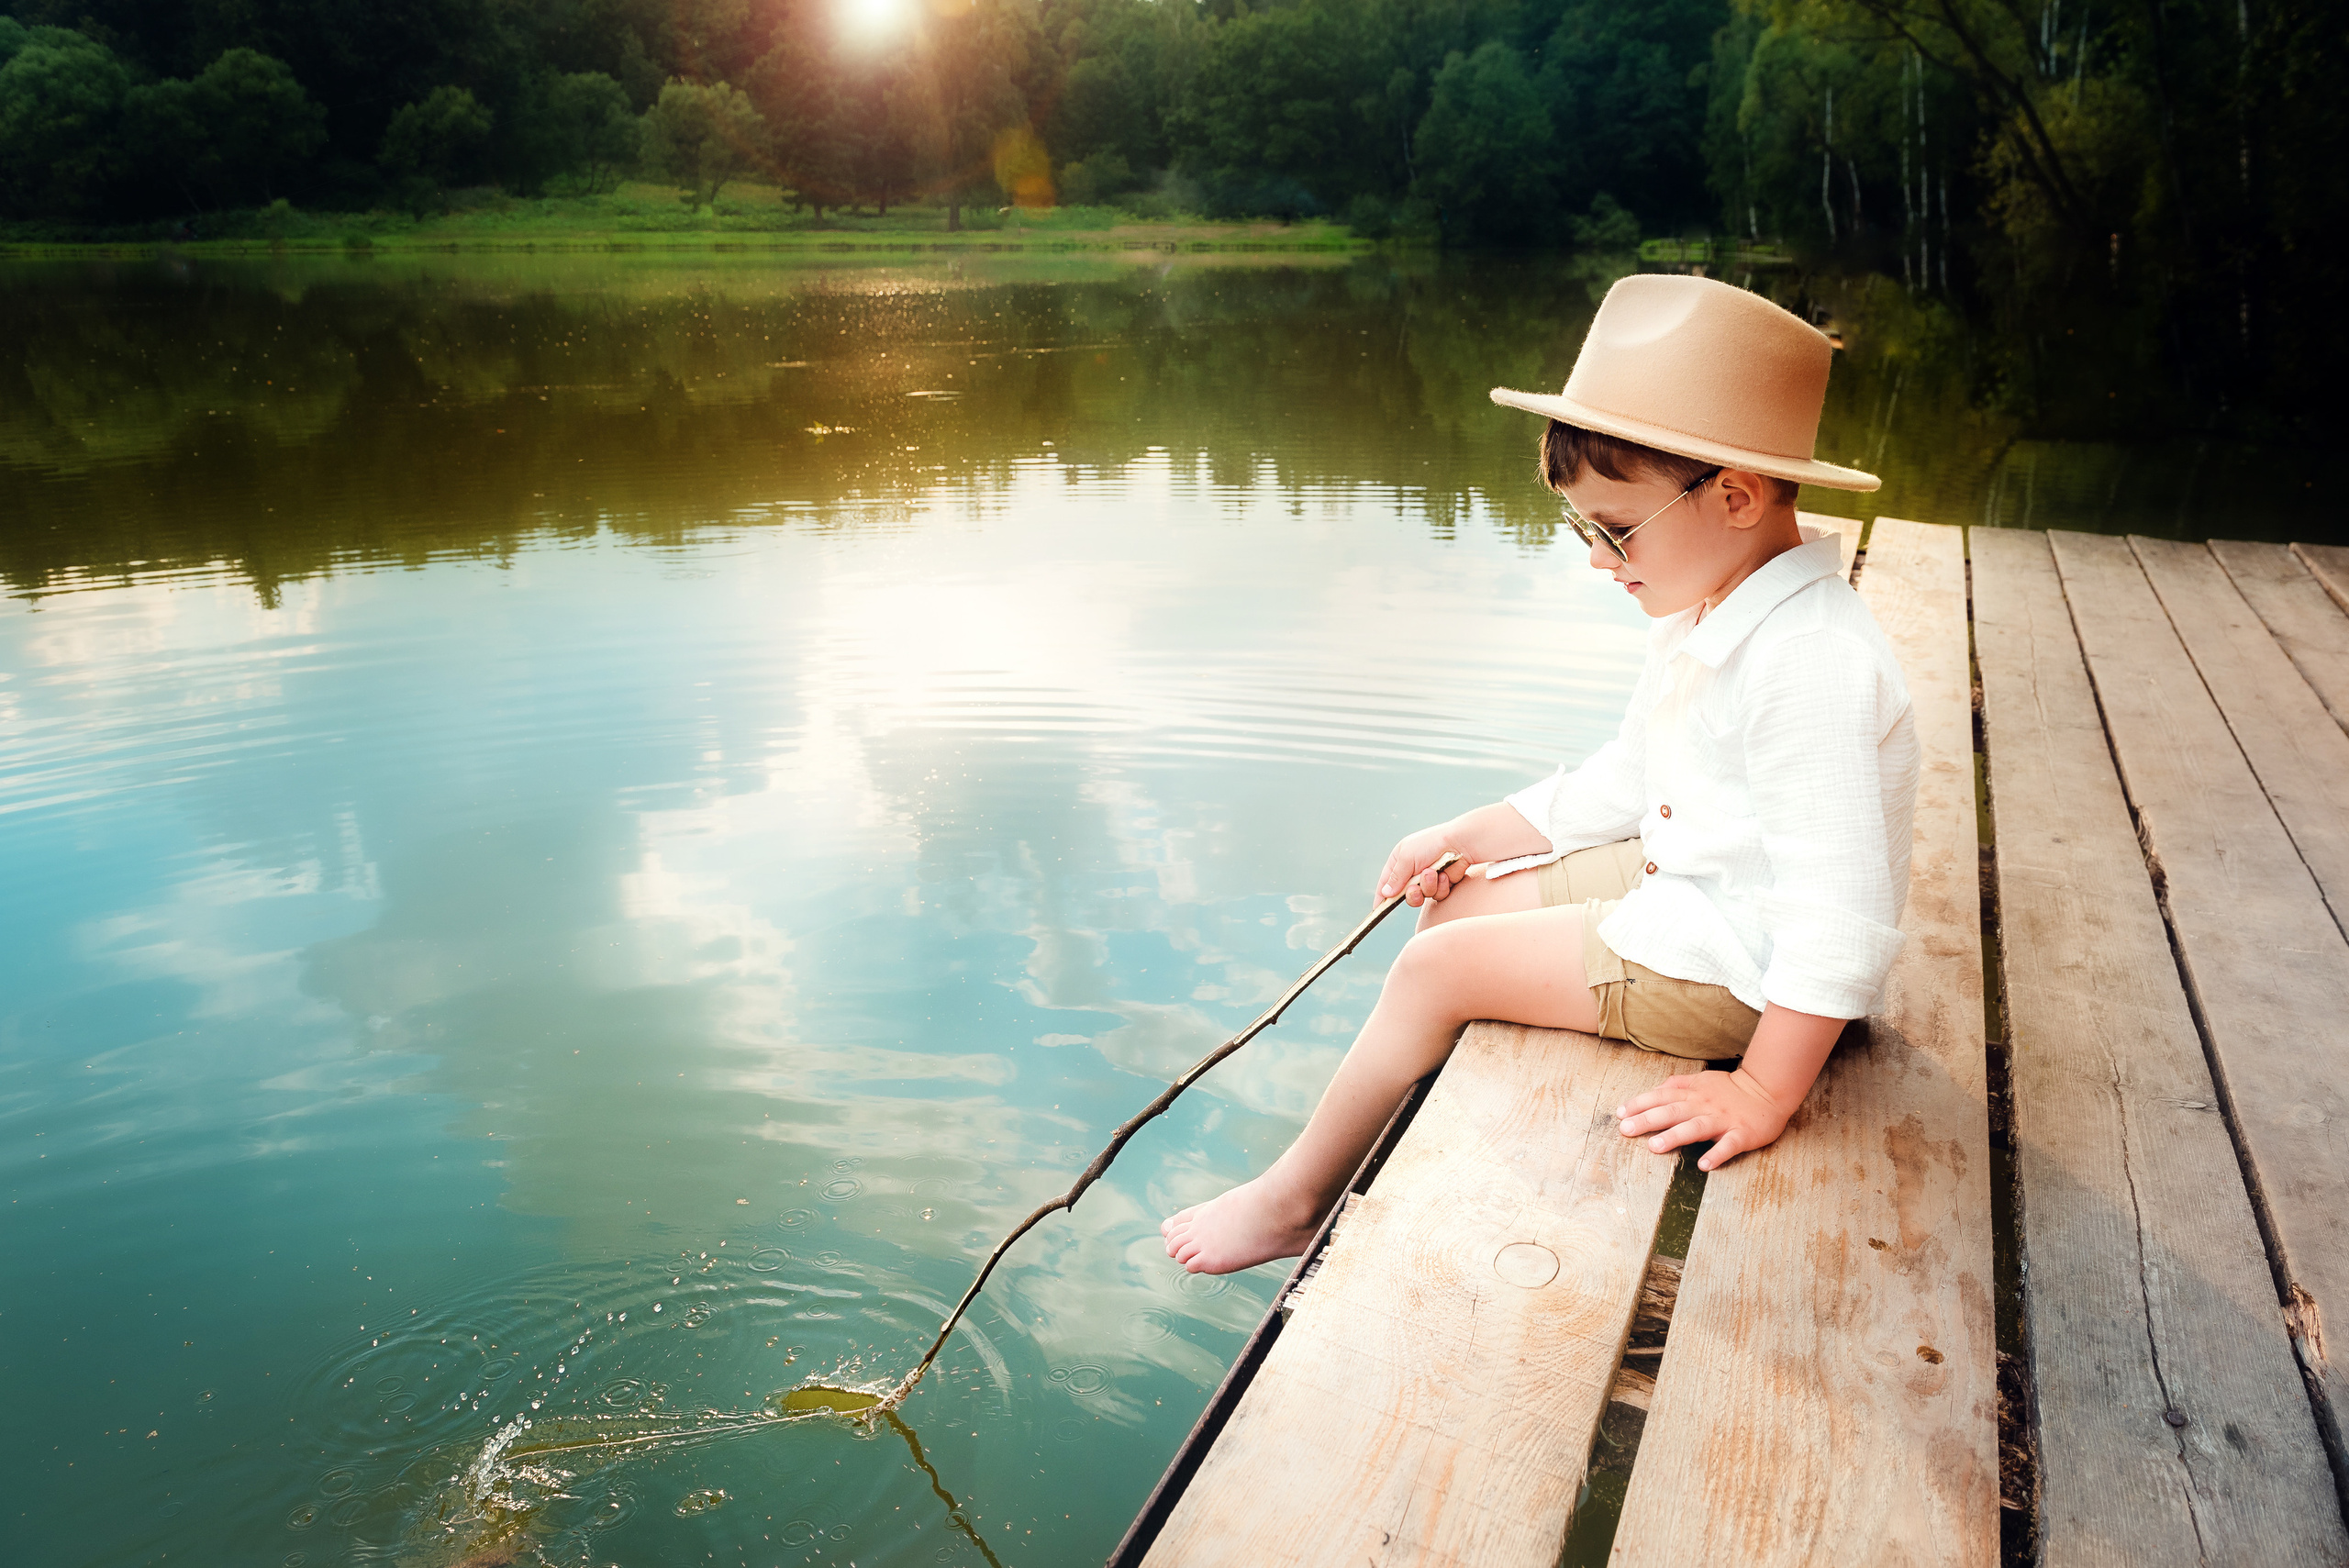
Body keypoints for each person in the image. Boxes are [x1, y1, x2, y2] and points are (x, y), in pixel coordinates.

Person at [1163, 273, 1917, 1276]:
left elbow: (1838, 916)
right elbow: (1627, 775)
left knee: (1437, 969)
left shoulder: (1808, 660)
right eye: (1581, 530)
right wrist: (1466, 834)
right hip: (1696, 882)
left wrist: (1765, 1089)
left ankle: (1297, 1197)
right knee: (1458, 906)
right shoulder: (1709, 604)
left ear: (1733, 496)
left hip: (1750, 964)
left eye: (1615, 527)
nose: (1598, 558)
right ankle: (1383, 1140)